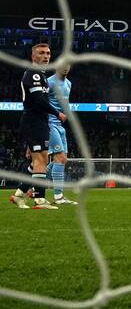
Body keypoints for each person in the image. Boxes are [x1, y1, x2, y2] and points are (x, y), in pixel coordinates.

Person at [11, 43, 61, 210]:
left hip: (40, 122)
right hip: (33, 121)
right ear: (33, 56)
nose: (46, 56)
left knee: (40, 160)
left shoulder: (41, 75)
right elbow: (39, 100)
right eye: (41, 53)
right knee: (40, 160)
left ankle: (19, 195)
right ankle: (39, 200)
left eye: (48, 53)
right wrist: (57, 113)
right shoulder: (33, 74)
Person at [47, 62, 76, 204]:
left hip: (60, 125)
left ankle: (33, 185)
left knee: (62, 160)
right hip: (49, 123)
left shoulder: (69, 84)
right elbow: (41, 103)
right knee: (60, 158)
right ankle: (58, 197)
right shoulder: (49, 82)